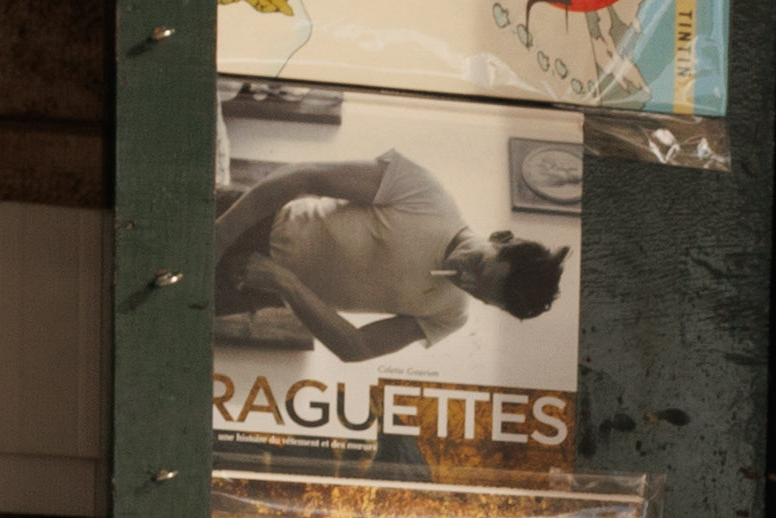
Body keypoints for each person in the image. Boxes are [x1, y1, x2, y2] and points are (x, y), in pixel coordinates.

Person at [213, 150, 569, 367]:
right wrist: (222, 233)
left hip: (254, 287)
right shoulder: (427, 193)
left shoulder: (449, 314)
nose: (466, 280)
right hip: (246, 217)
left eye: (478, 292)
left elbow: (357, 348)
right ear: (500, 238)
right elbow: (303, 175)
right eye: (478, 265)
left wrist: (283, 283)